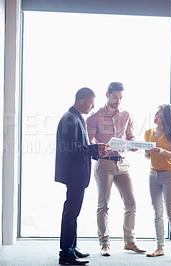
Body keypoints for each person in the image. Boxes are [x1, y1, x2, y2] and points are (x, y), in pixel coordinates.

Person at [86, 81, 146, 256]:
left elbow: (130, 136)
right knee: (103, 204)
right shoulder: (94, 117)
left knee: (131, 203)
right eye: (114, 97)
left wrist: (134, 144)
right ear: (107, 95)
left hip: (122, 163)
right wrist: (99, 147)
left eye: (120, 98)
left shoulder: (126, 115)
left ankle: (130, 242)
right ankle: (104, 244)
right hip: (104, 163)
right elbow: (87, 144)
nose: (118, 101)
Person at [55, 87, 108, 265]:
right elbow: (72, 149)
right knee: (71, 213)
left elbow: (79, 146)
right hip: (74, 173)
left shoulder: (75, 117)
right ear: (82, 101)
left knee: (73, 212)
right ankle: (66, 254)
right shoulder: (70, 119)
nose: (92, 108)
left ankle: (72, 247)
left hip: (76, 173)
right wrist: (95, 149)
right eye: (91, 104)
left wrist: (96, 150)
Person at [144, 104, 171, 262]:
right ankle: (159, 247)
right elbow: (148, 156)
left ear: (167, 118)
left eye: (161, 116)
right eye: (156, 114)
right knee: (157, 213)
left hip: (169, 174)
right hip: (153, 174)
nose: (157, 117)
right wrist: (147, 153)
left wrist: (162, 151)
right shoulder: (148, 133)